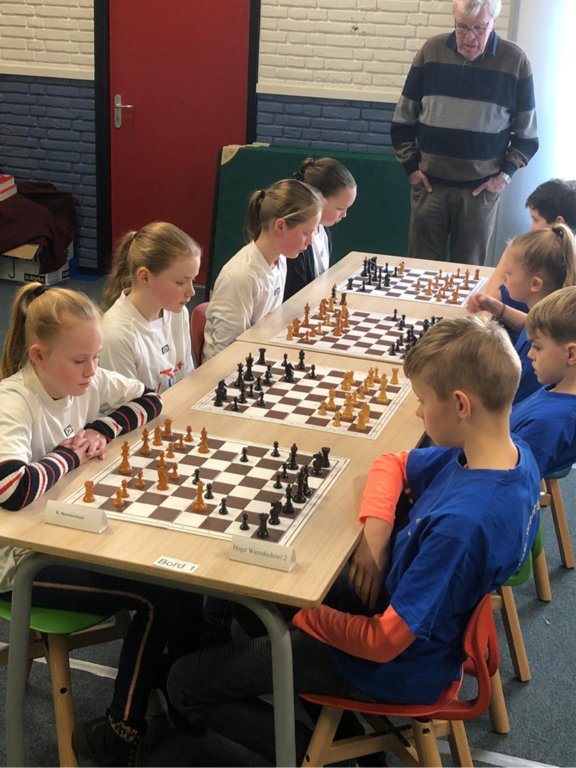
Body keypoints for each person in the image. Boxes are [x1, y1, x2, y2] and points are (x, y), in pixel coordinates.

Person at [166, 315, 540, 764]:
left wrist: (308, 615)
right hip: (405, 623)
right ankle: (336, 724)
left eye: (422, 401)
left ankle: (326, 757)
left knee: (184, 683)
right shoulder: (506, 457)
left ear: (461, 404)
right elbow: (393, 461)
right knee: (264, 584)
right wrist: (376, 534)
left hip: (389, 667)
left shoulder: (461, 526)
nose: (417, 413)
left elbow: (383, 642)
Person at [0, 285, 196, 766]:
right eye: (80, 361)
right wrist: (69, 455)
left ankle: (180, 685)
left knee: (179, 577)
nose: (92, 371)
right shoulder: (13, 401)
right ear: (38, 355)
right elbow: (12, 488)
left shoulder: (82, 380)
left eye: (96, 358)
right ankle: (120, 732)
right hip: (17, 565)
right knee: (157, 595)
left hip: (63, 538)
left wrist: (98, 429)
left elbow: (150, 399)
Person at [390, 0, 538, 266]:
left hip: (479, 193)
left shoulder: (515, 61)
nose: (470, 38)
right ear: (454, 20)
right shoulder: (431, 51)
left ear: (493, 22)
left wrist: (503, 177)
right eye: (462, 27)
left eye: (479, 28)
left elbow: (527, 138)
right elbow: (402, 121)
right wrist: (412, 169)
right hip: (429, 187)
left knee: (468, 275)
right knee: (419, 271)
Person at [202, 178, 322, 362]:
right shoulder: (242, 276)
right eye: (307, 232)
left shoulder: (280, 260)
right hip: (231, 367)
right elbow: (225, 352)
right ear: (280, 226)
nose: (311, 241)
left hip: (259, 356)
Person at [467, 225, 576, 403]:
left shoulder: (535, 356)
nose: (503, 278)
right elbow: (529, 323)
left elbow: (504, 397)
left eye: (508, 273)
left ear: (535, 284)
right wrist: (498, 309)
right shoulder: (547, 317)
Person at [99, 221, 201, 392]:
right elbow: (128, 406)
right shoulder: (116, 335)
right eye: (180, 282)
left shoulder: (178, 312)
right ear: (145, 277)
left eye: (193, 280)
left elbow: (185, 378)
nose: (191, 291)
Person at [510, 286, 576, 477]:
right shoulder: (556, 388)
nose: (530, 354)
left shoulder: (548, 424)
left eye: (537, 347)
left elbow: (509, 481)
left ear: (571, 354)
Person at [484, 179, 576, 306]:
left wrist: (511, 251)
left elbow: (490, 299)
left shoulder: (534, 259)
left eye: (535, 220)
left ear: (559, 222)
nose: (531, 229)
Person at [283, 157, 357, 301]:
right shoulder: (297, 244)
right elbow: (295, 299)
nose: (344, 215)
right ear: (318, 199)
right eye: (340, 208)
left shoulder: (324, 232)